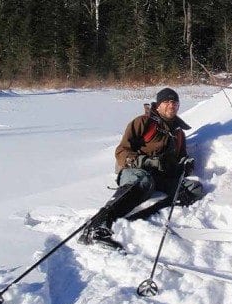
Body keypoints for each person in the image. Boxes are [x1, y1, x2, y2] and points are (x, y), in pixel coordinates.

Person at [78, 87, 204, 250]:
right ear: (158, 105)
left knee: (194, 189)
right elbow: (121, 151)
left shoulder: (178, 133)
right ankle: (99, 225)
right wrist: (147, 161)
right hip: (135, 171)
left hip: (161, 176)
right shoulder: (143, 122)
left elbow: (180, 158)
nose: (171, 105)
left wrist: (186, 164)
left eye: (174, 102)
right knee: (144, 181)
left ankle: (139, 218)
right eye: (166, 102)